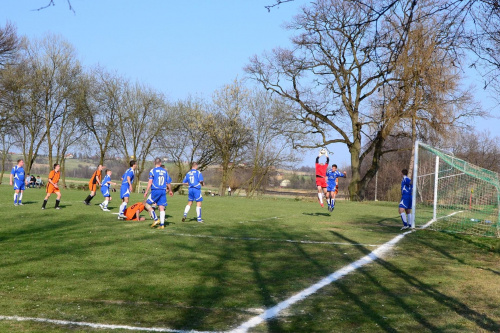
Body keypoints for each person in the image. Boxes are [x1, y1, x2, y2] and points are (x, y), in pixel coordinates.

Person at [144, 158, 173, 229]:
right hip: (163, 191)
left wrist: (146, 191)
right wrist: (170, 190)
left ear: (154, 163)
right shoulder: (165, 171)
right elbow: (168, 182)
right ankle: (162, 225)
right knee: (161, 207)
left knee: (146, 204)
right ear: (160, 163)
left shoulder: (153, 170)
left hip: (155, 190)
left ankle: (156, 219)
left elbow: (150, 181)